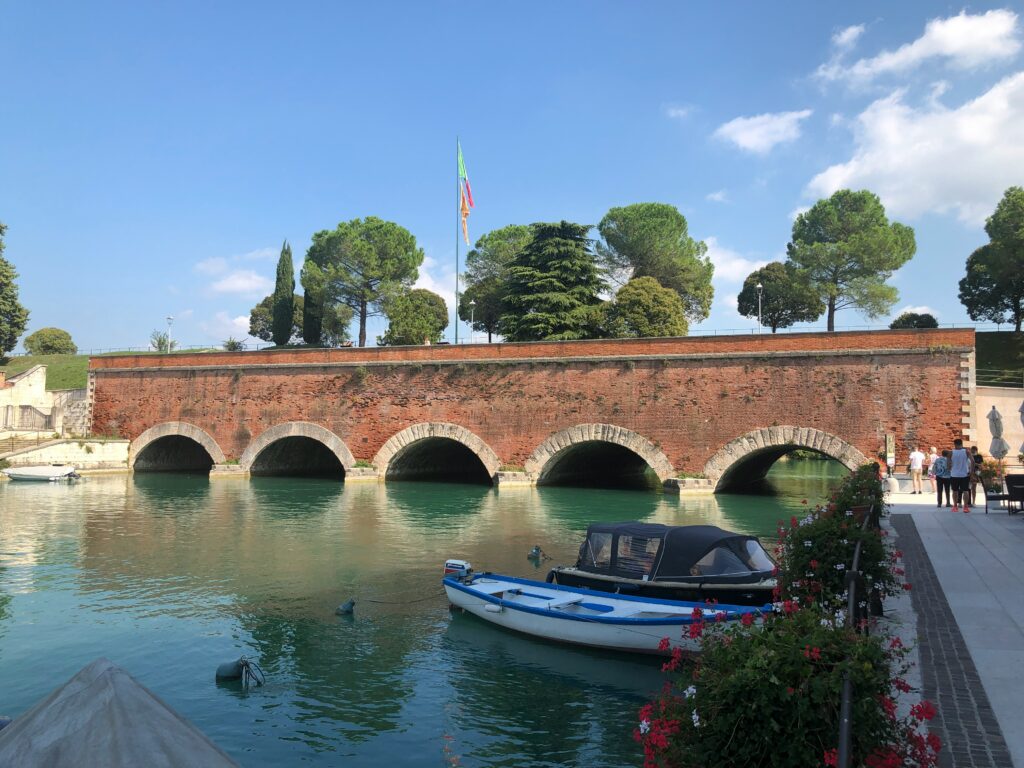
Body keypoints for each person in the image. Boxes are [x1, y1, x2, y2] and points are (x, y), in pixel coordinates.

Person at [949, 438, 972, 513]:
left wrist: (950, 469)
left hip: (954, 474)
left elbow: (948, 464)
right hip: (964, 474)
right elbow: (973, 461)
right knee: (965, 491)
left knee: (955, 491)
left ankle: (955, 506)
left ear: (954, 444)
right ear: (962, 444)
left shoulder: (951, 452)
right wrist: (971, 471)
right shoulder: (966, 451)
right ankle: (965, 507)